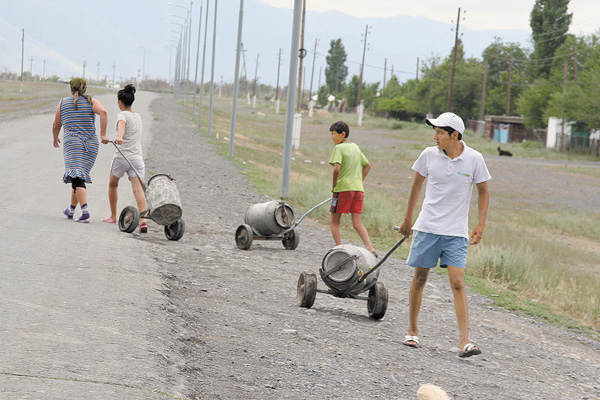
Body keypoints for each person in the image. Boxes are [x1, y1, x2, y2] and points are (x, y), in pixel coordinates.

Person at [399, 112, 490, 358]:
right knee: (419, 279)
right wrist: (408, 219)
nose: (435, 136)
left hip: (456, 233)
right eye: (435, 131)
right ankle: (412, 331)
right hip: (427, 227)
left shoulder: (474, 159)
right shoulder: (428, 155)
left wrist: (481, 224)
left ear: (455, 135)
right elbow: (416, 187)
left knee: (458, 283)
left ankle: (464, 342)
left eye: (440, 132)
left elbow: (483, 191)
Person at [53, 77, 108, 222]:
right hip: (91, 145)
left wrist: (55, 138)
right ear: (85, 87)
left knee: (77, 178)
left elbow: (56, 125)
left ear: (71, 89)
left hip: (73, 144)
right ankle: (70, 210)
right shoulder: (92, 102)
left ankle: (85, 211)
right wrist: (103, 134)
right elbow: (103, 112)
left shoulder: (63, 103)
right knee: (78, 176)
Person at [100, 84, 148, 233]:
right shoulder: (137, 116)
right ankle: (144, 221)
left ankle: (113, 216)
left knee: (113, 184)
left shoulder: (122, 115)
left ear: (120, 102)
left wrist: (119, 137)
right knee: (138, 190)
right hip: (137, 160)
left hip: (122, 158)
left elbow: (122, 127)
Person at [328, 120, 377, 256]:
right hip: (358, 190)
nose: (332, 137)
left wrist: (334, 186)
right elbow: (367, 166)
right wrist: (358, 181)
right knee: (357, 223)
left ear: (343, 134)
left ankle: (340, 249)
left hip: (343, 189)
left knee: (334, 223)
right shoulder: (355, 147)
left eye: (334, 134)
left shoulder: (339, 148)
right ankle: (369, 247)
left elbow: (336, 169)